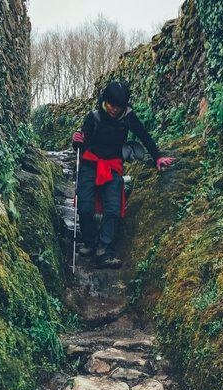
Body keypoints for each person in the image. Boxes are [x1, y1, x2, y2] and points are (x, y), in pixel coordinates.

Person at [72, 80, 174, 267]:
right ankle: (89, 242)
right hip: (90, 163)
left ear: (124, 106)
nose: (113, 110)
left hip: (112, 165)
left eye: (118, 107)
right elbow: (81, 143)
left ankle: (104, 249)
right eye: (111, 105)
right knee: (85, 206)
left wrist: (157, 157)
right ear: (105, 101)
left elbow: (144, 135)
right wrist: (76, 141)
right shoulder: (93, 117)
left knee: (113, 208)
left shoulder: (128, 117)